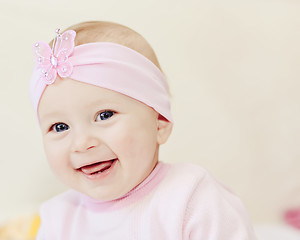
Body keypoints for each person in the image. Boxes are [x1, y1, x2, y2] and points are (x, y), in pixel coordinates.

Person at [30, 21, 257, 239]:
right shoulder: (57, 219)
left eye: (105, 115)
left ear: (159, 123)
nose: (81, 142)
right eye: (60, 127)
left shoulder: (191, 197)